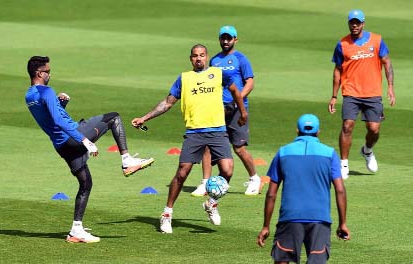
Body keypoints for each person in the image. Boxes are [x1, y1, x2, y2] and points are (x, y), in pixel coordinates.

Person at [25, 56, 154, 243]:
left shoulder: (30, 95)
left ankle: (76, 230)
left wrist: (60, 104)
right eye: (48, 71)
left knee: (86, 184)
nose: (50, 75)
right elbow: (60, 121)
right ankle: (127, 161)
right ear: (39, 73)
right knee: (113, 118)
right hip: (73, 137)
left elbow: (50, 118)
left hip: (61, 146)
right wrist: (85, 140)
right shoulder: (46, 92)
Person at [131, 44, 247, 234]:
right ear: (190, 59)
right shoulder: (184, 78)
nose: (199, 58)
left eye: (202, 55)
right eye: (195, 56)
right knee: (182, 173)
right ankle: (167, 213)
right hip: (195, 132)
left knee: (227, 169)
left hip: (217, 130)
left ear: (207, 57)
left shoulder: (219, 74)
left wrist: (243, 112)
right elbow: (168, 102)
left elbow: (235, 91)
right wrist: (144, 117)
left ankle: (211, 203)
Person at [257, 114, 349, 264]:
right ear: (318, 131)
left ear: (297, 130)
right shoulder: (329, 154)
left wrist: (266, 226)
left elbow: (271, 194)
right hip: (320, 218)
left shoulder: (283, 152)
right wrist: (342, 223)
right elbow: (340, 190)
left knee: (282, 260)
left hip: (289, 217)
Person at [191, 25, 260, 197]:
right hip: (218, 109)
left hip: (237, 109)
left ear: (235, 39)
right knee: (207, 145)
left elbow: (249, 82)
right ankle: (205, 183)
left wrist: (238, 100)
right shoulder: (214, 61)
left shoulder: (241, 59)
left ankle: (254, 179)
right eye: (223, 38)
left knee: (239, 147)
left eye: (229, 38)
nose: (226, 41)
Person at [328, 9, 395, 179]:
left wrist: (391, 87)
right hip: (351, 92)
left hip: (373, 92)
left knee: (374, 129)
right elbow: (337, 70)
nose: (355, 25)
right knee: (347, 126)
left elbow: (387, 63)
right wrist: (334, 96)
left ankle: (367, 150)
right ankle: (344, 164)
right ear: (349, 23)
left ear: (363, 23)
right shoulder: (342, 44)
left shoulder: (377, 40)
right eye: (352, 22)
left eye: (358, 22)